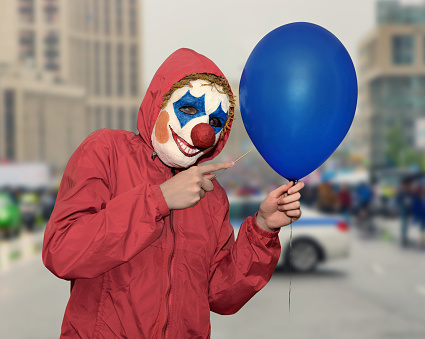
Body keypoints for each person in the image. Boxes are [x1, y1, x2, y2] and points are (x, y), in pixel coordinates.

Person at [42, 49, 304, 338]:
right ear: (159, 101)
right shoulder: (106, 151)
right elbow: (62, 252)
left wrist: (263, 229)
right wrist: (158, 200)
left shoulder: (212, 195)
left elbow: (221, 296)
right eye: (190, 109)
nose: (203, 132)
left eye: (215, 122)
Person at [395, 180, 413, 247]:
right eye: (404, 185)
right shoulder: (400, 193)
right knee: (403, 223)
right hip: (403, 209)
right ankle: (403, 237)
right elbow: (397, 201)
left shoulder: (410, 193)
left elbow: (412, 200)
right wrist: (398, 207)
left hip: (408, 210)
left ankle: (405, 236)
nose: (405, 187)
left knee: (407, 223)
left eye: (406, 185)